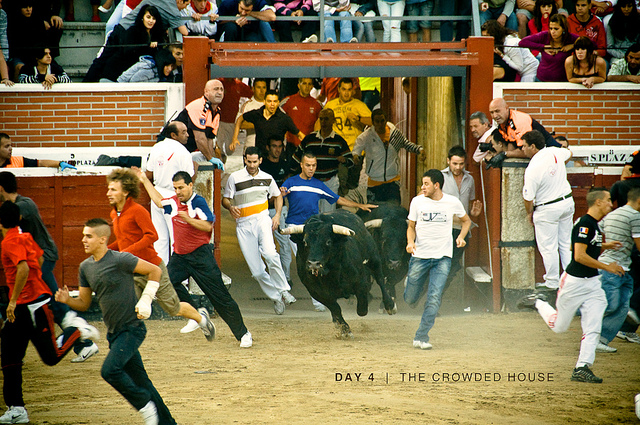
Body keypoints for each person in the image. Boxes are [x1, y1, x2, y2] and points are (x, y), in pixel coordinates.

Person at [55, 218, 177, 425]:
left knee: (109, 371)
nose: (83, 239)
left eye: (88, 236)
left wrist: (146, 299)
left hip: (132, 329)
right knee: (142, 382)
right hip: (114, 334)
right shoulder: (85, 267)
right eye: (84, 235)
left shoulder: (121, 259)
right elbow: (84, 303)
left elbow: (155, 270)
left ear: (102, 239)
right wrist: (68, 301)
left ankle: (145, 405)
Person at [135, 169, 254, 348]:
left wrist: (188, 219)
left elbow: (207, 226)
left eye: (181, 188)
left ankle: (243, 333)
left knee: (220, 297)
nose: (178, 192)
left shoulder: (198, 202)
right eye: (175, 188)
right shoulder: (174, 202)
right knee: (167, 284)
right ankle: (197, 312)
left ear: (191, 185)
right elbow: (159, 202)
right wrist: (144, 180)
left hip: (201, 257)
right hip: (180, 257)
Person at [517, 188, 624, 383]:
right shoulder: (585, 224)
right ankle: (538, 302)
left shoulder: (593, 225)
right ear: (598, 202)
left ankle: (582, 367)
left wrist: (605, 247)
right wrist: (607, 266)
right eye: (608, 200)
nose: (611, 203)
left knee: (593, 326)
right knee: (559, 326)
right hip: (574, 282)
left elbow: (581, 246)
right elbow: (579, 255)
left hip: (592, 283)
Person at [0, 201, 93, 425]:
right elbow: (39, 261)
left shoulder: (10, 242)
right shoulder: (25, 237)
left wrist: (13, 301)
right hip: (30, 304)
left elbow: (23, 268)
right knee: (9, 356)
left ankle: (76, 330)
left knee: (50, 357)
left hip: (29, 306)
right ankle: (17, 408)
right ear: (19, 219)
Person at [0, 170, 98, 363]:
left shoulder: (22, 205)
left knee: (49, 301)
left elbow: (11, 219)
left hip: (42, 256)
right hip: (37, 257)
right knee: (49, 301)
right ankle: (82, 341)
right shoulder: (20, 205)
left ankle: (83, 337)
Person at [106, 168, 215, 340]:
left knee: (173, 307)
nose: (108, 193)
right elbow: (123, 241)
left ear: (125, 192)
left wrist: (126, 252)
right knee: (125, 304)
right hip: (132, 268)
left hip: (152, 266)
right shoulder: (115, 213)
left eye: (113, 189)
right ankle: (125, 339)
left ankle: (201, 319)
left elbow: (152, 235)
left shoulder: (137, 210)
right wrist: (107, 251)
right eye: (109, 189)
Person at [280, 151, 378, 310]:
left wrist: (359, 205)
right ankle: (283, 292)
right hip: (293, 228)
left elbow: (337, 198)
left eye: (313, 166)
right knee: (286, 259)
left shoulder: (318, 185)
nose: (311, 169)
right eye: (308, 165)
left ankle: (320, 300)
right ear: (301, 165)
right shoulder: (291, 182)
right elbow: (278, 196)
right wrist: (278, 213)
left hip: (313, 231)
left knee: (314, 261)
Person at [223, 146, 295, 315]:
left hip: (262, 220)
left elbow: (277, 196)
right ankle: (276, 297)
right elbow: (225, 199)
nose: (252, 165)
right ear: (244, 159)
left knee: (271, 254)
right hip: (243, 225)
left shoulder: (267, 178)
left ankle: (284, 290)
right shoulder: (235, 178)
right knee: (257, 271)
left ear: (260, 160)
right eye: (249, 161)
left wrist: (277, 215)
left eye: (255, 161)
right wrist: (230, 207)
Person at [404, 169, 471, 350]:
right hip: (420, 256)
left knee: (434, 297)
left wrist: (461, 237)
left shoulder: (452, 202)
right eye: (422, 184)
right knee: (410, 299)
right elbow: (411, 226)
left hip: (442, 257)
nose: (422, 187)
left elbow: (466, 221)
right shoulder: (417, 201)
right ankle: (409, 284)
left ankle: (421, 337)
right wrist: (410, 242)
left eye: (426, 184)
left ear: (436, 185)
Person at [522, 130, 574, 290]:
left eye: (524, 146)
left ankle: (552, 282)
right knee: (565, 243)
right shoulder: (554, 152)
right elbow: (569, 153)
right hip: (566, 202)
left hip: (547, 208)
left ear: (532, 146)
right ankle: (570, 279)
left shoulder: (532, 168)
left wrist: (529, 213)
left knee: (548, 247)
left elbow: (528, 198)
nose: (522, 149)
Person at [595, 187, 640, 352]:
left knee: (620, 308)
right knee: (613, 306)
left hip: (616, 267)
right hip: (615, 268)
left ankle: (600, 340)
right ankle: (594, 338)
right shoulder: (635, 216)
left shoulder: (613, 214)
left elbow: (596, 231)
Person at [146, 121, 195, 264]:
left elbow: (149, 173)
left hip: (157, 194)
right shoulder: (183, 152)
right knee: (177, 238)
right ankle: (179, 280)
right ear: (174, 135)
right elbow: (189, 179)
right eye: (184, 132)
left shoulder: (156, 147)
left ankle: (162, 276)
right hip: (174, 196)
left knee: (160, 238)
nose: (187, 135)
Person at [352, 108, 425, 204]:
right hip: (374, 183)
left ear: (386, 120)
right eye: (377, 121)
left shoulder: (394, 134)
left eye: (382, 121)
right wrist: (355, 157)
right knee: (375, 214)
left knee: (394, 210)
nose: (380, 124)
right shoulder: (366, 137)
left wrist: (420, 150)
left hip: (392, 182)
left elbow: (406, 144)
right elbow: (356, 150)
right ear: (373, 122)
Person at [291, 108, 353, 212]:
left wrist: (344, 160)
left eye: (326, 119)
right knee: (311, 213)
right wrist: (290, 175)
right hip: (311, 181)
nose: (323, 122)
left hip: (330, 183)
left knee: (328, 215)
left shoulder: (338, 140)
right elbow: (296, 158)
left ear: (333, 120)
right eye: (321, 119)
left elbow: (350, 161)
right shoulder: (309, 139)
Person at [441, 146, 482, 282]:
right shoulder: (440, 177)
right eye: (455, 163)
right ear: (448, 161)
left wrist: (473, 213)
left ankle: (438, 295)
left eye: (461, 164)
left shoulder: (470, 179)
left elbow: (469, 205)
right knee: (442, 264)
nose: (458, 167)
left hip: (461, 230)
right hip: (444, 228)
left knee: (452, 265)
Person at [259, 137, 295, 286]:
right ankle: (269, 276)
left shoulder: (285, 164)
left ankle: (286, 278)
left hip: (281, 211)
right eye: (274, 146)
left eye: (280, 146)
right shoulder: (262, 166)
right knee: (265, 247)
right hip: (262, 211)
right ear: (268, 147)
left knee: (285, 244)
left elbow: (288, 184)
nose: (277, 149)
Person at [486, 97, 559, 166]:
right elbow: (511, 145)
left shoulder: (519, 121)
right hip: (541, 158)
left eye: (497, 111)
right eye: (491, 112)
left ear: (506, 108)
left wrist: (504, 154)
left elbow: (526, 151)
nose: (495, 116)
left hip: (554, 156)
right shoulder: (503, 124)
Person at [231, 90, 304, 155]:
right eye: (269, 101)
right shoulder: (257, 114)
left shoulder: (284, 118)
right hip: (260, 158)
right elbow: (240, 118)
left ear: (278, 102)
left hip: (277, 160)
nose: (272, 104)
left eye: (275, 101)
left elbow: (299, 134)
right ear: (264, 102)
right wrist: (235, 138)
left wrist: (309, 145)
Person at [175, 79, 226, 168]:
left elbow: (209, 139)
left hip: (187, 150)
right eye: (216, 89)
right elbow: (200, 139)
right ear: (206, 92)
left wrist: (212, 162)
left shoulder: (217, 111)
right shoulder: (198, 106)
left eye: (221, 89)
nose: (219, 92)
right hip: (173, 150)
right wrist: (210, 158)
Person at [519, 13, 578, 82]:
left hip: (561, 82)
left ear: (564, 29)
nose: (553, 31)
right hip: (541, 80)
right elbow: (522, 42)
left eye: (556, 29)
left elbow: (591, 44)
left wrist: (573, 46)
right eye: (551, 28)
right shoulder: (545, 35)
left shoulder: (570, 38)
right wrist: (543, 47)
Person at [324, 78, 372, 150]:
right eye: (344, 89)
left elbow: (374, 121)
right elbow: (319, 123)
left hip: (354, 149)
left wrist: (359, 118)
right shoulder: (330, 105)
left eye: (349, 90)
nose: (346, 93)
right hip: (335, 148)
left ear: (352, 91)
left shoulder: (359, 105)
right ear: (339, 89)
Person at [280, 78, 323, 156]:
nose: (307, 86)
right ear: (298, 85)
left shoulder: (317, 105)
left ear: (312, 86)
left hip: (309, 146)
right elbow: (278, 120)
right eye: (304, 83)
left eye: (309, 84)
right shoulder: (288, 101)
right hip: (291, 146)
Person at [217, 78, 253, 158]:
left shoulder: (239, 85)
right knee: (217, 147)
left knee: (230, 150)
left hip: (232, 122)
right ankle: (220, 162)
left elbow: (251, 94)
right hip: (219, 121)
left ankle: (223, 155)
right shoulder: (219, 83)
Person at [0, 133, 75, 169]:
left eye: (11, 145)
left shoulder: (18, 161)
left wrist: (59, 163)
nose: (11, 149)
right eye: (7, 146)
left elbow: (40, 163)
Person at [236, 78, 268, 149]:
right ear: (253, 89)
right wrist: (260, 124)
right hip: (252, 146)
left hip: (268, 148)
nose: (261, 91)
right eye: (259, 87)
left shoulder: (272, 104)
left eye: (264, 87)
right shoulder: (247, 105)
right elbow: (240, 124)